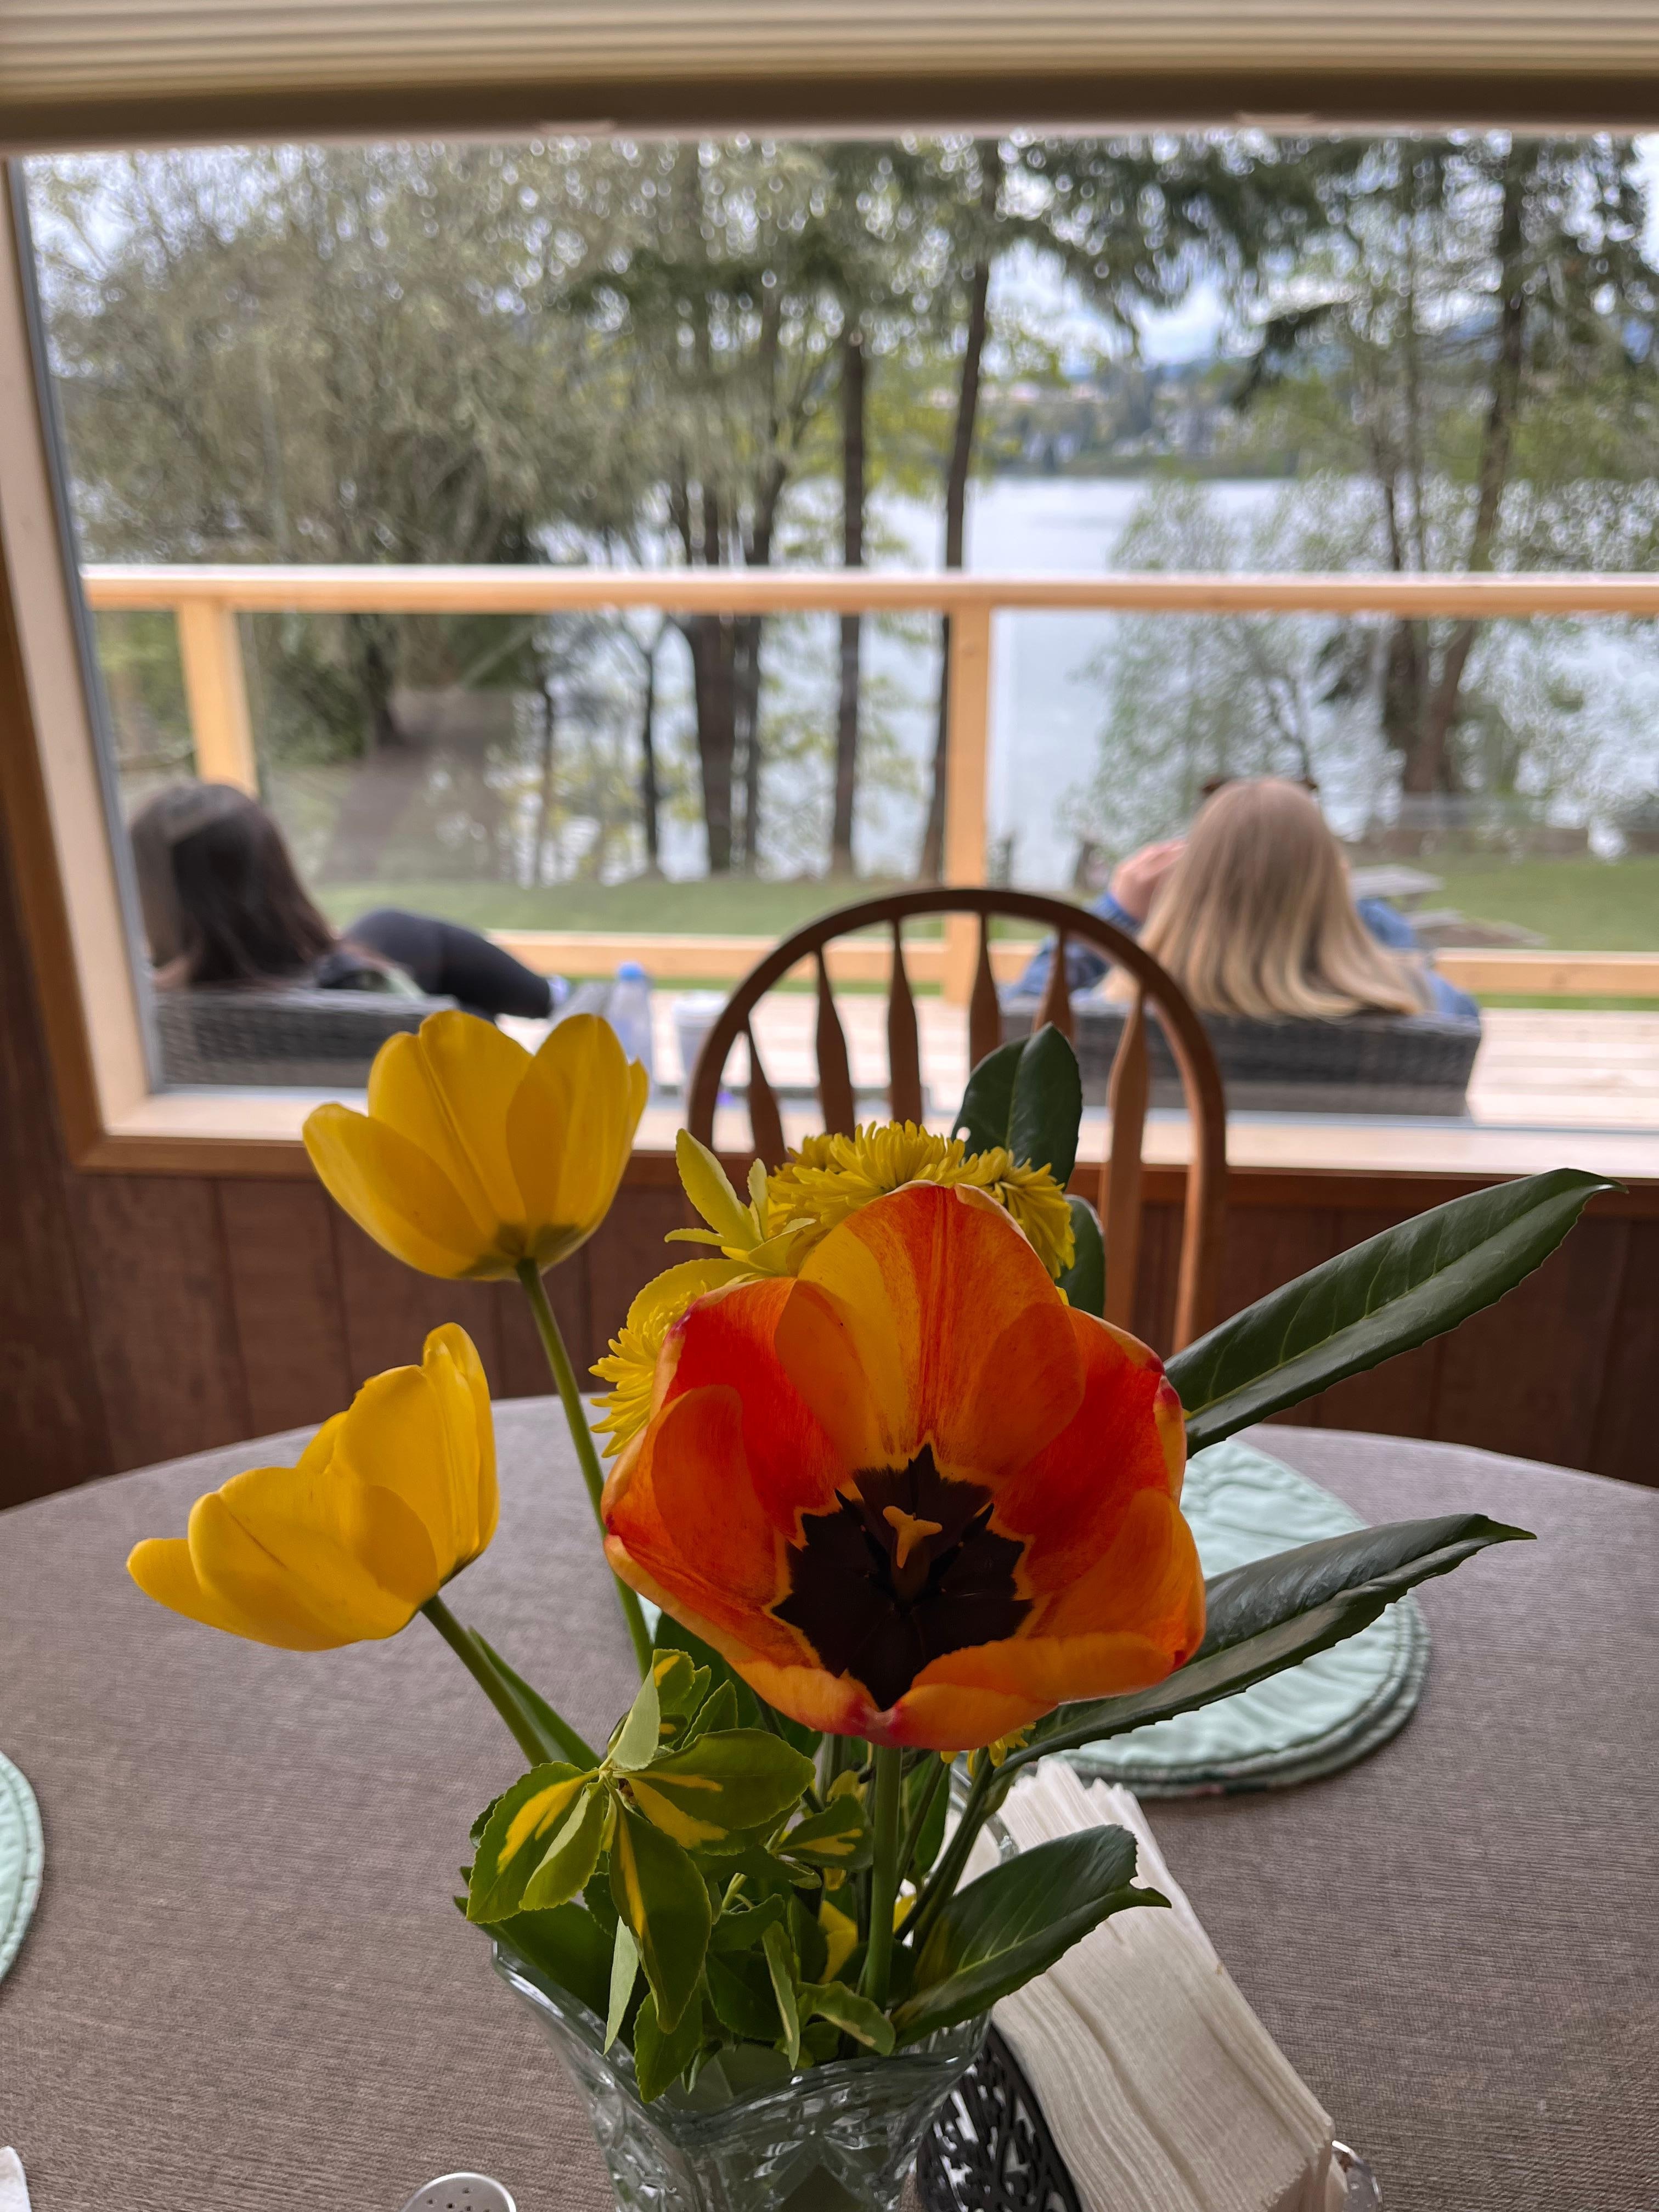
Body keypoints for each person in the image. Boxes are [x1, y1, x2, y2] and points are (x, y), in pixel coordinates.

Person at [1020, 779, 1479, 1023]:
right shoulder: (1434, 1012)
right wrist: (1345, 903)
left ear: (1186, 892)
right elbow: (1412, 971)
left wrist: (1117, 914)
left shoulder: (1114, 1016)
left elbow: (1020, 1017)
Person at [128, 783, 561, 1022]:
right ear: (276, 879)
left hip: (265, 989)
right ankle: (553, 998)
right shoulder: (369, 1000)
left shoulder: (141, 1012)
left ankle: (549, 996)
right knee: (400, 933)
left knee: (388, 929)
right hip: (335, 1007)